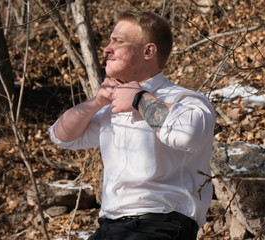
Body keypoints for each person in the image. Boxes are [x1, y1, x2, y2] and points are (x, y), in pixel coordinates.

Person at [49, 10, 215, 240]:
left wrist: (138, 99)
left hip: (161, 225)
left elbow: (187, 134)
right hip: (110, 227)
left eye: (118, 41)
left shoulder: (183, 99)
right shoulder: (110, 107)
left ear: (148, 51)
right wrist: (96, 103)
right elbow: (61, 136)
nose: (107, 48)